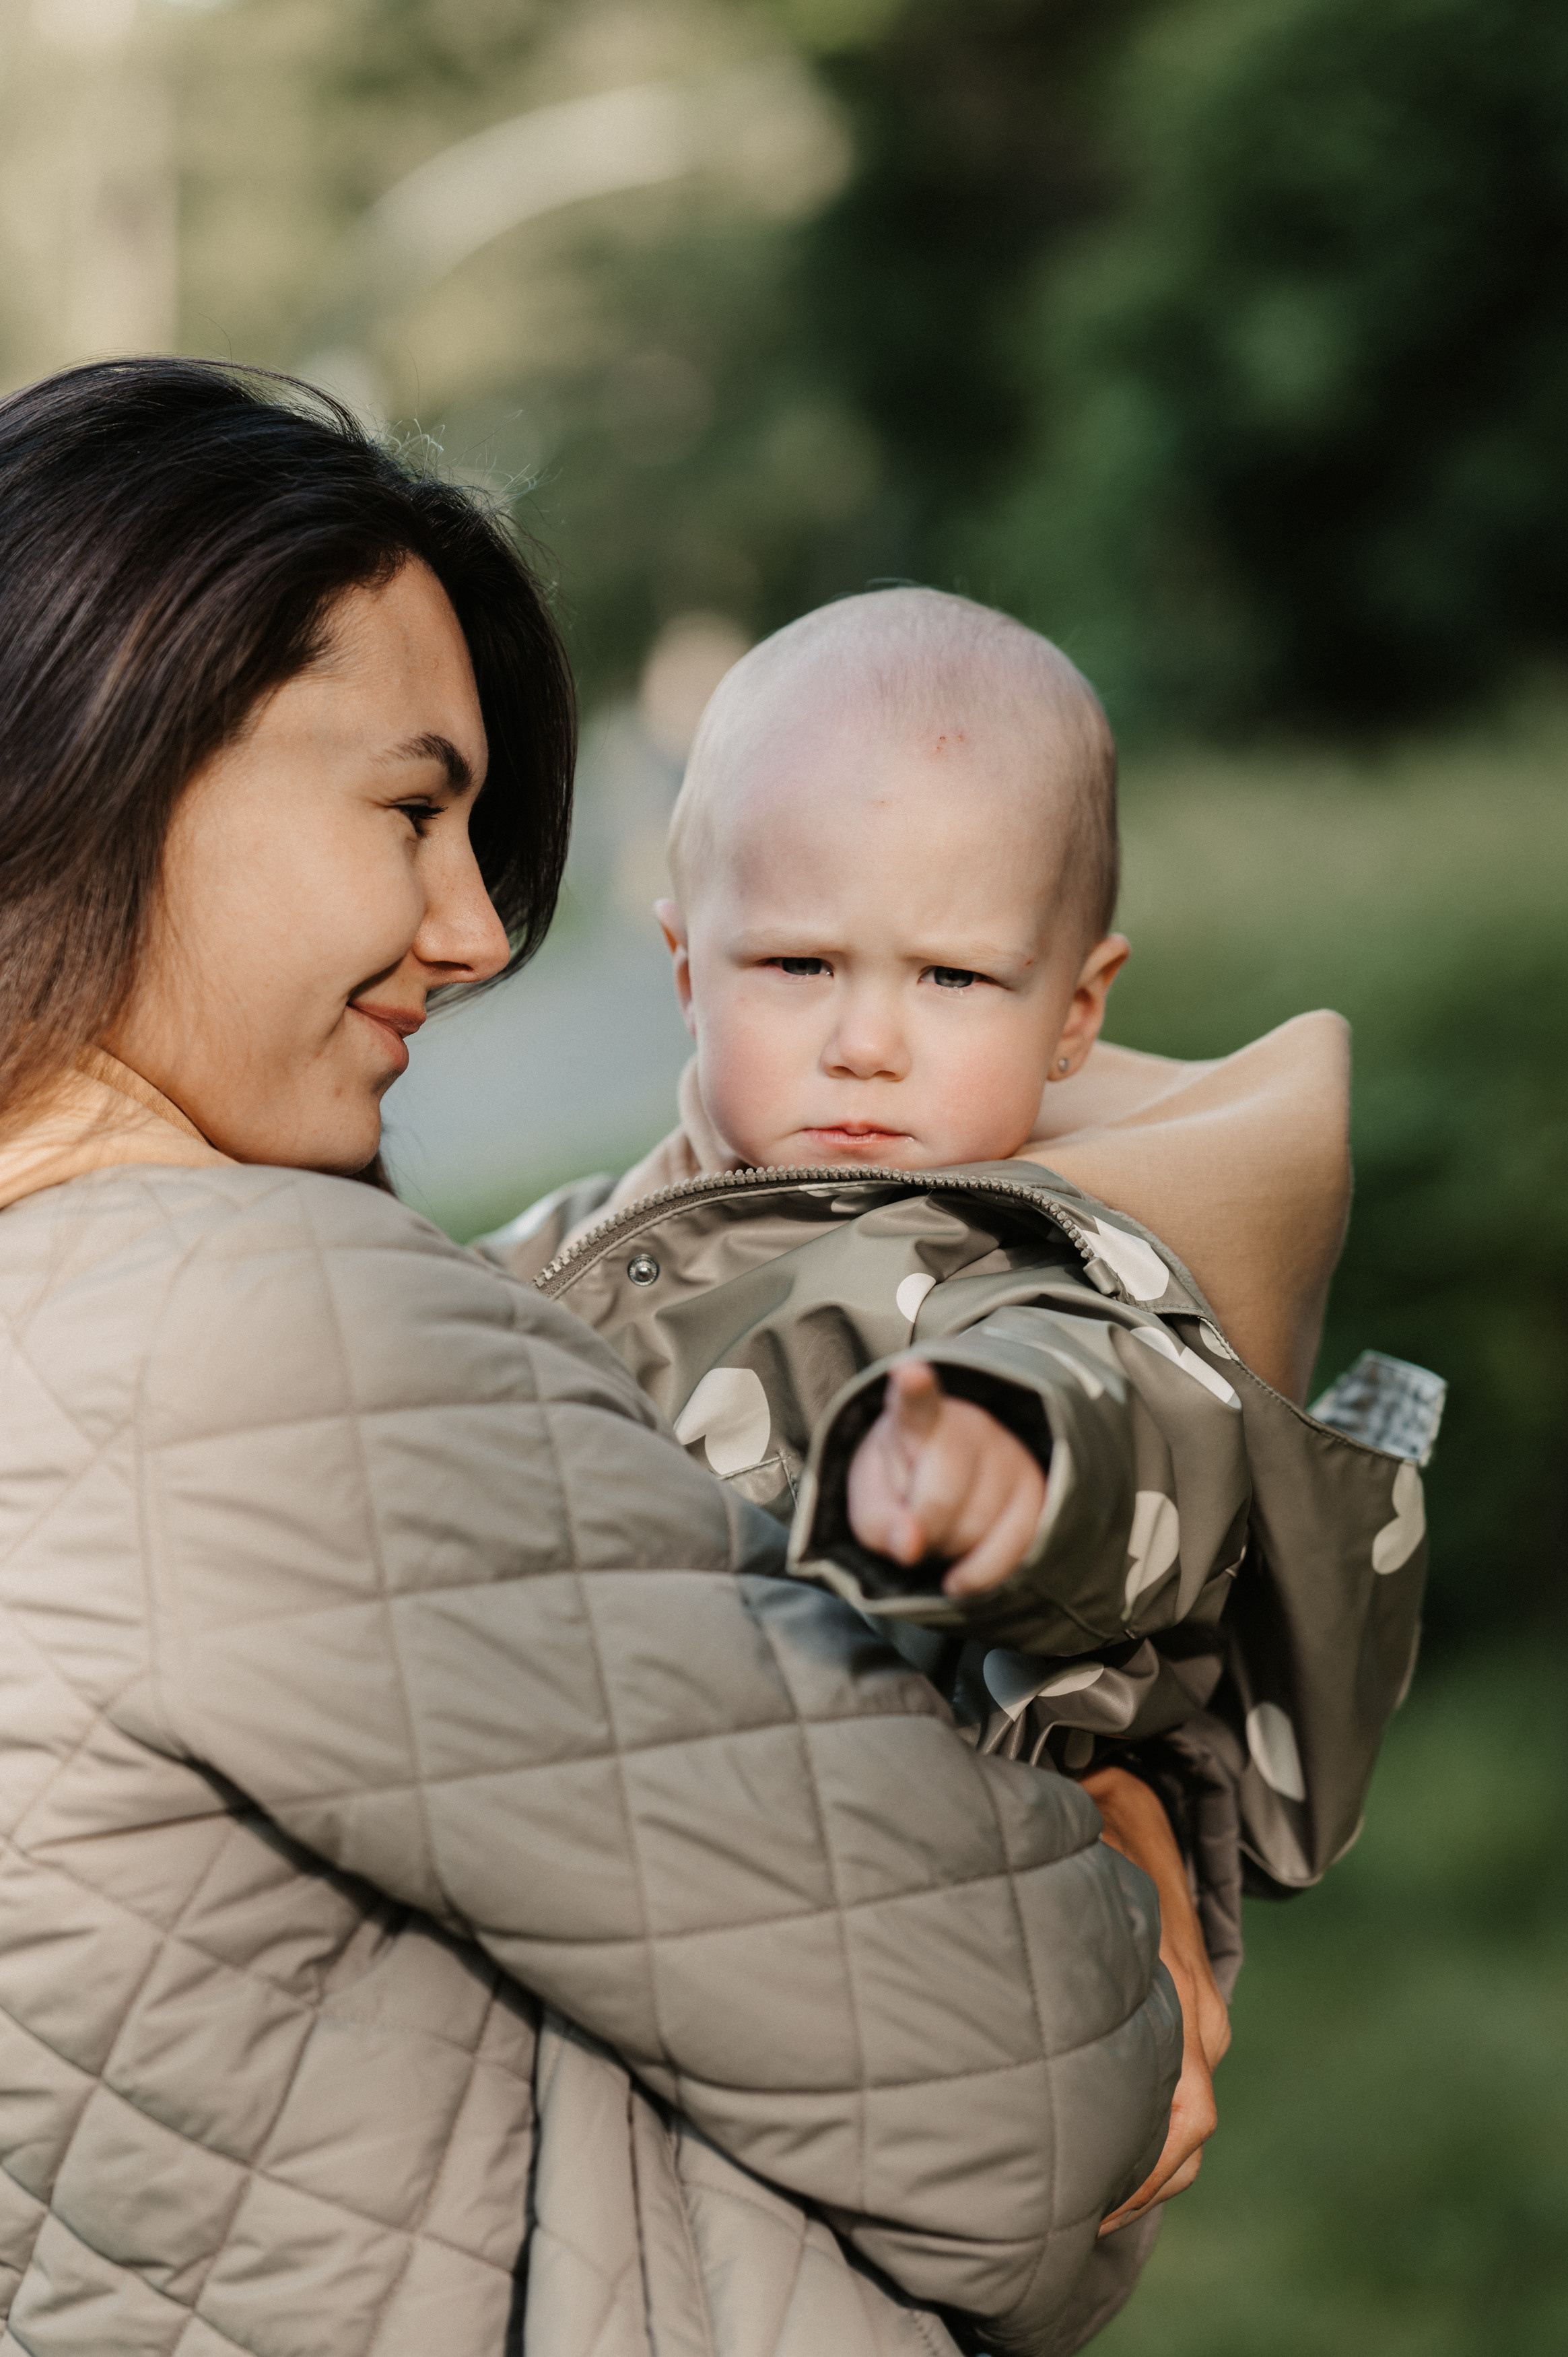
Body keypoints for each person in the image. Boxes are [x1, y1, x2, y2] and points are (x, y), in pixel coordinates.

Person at [0, 359, 1221, 2357]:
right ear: (111, 741)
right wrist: (1114, 1856)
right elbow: (1052, 2097)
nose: (476, 928)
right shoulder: (259, 1341)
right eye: (411, 805)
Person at [481, 587, 1434, 2000]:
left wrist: (1009, 1459)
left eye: (954, 975)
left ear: (1076, 1012)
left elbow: (1143, 1427)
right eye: (798, 963)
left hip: (925, 1982)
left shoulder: (1035, 1271)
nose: (867, 1041)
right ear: (688, 969)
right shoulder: (569, 1238)